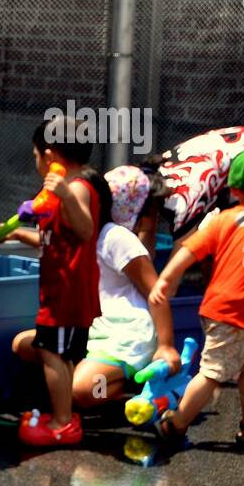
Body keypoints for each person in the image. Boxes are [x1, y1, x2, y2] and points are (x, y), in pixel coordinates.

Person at [149, 146, 244, 449]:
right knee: (213, 373)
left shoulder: (222, 219)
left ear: (232, 187)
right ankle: (175, 424)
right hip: (237, 316)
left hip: (220, 311)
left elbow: (191, 249)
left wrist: (166, 277)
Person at [7, 118, 107, 446]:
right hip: (60, 292)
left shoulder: (75, 188)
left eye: (36, 156)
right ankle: (63, 417)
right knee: (59, 353)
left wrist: (65, 195)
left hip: (66, 293)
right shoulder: (63, 192)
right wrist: (23, 233)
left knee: (52, 353)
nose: (35, 162)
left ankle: (62, 422)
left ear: (49, 156)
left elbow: (85, 229)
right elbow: (57, 239)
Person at [70, 165, 181, 407]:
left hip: (124, 335)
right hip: (92, 329)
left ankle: (126, 383)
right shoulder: (79, 237)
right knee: (23, 345)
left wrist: (166, 346)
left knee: (83, 391)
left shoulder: (115, 238)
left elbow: (155, 292)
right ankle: (115, 376)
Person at [137, 125, 244, 252]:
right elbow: (146, 234)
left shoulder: (181, 199)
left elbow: (184, 254)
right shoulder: (155, 174)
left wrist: (160, 288)